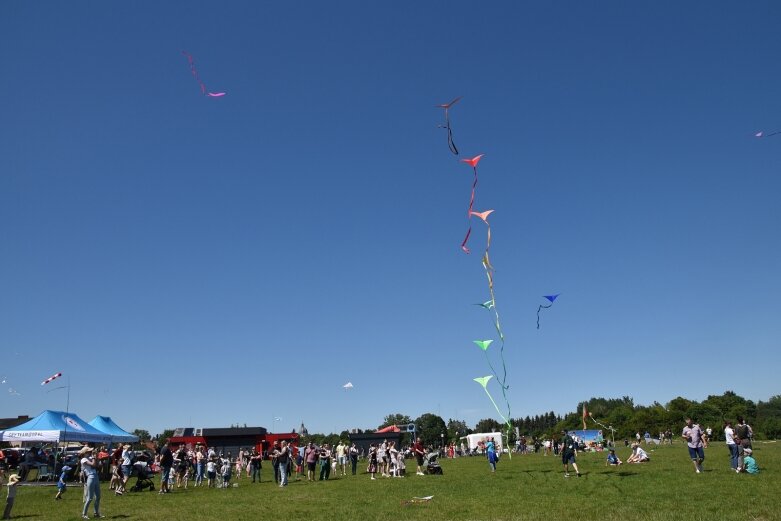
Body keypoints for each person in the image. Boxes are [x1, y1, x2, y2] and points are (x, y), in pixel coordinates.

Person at [80, 446, 103, 519]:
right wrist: (94, 457)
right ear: (85, 452)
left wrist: (96, 457)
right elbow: (93, 465)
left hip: (95, 477)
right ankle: (84, 514)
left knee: (98, 496)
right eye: (89, 451)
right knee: (90, 498)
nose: (91, 452)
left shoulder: (90, 458)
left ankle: (96, 513)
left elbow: (97, 466)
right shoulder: (83, 459)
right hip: (90, 477)